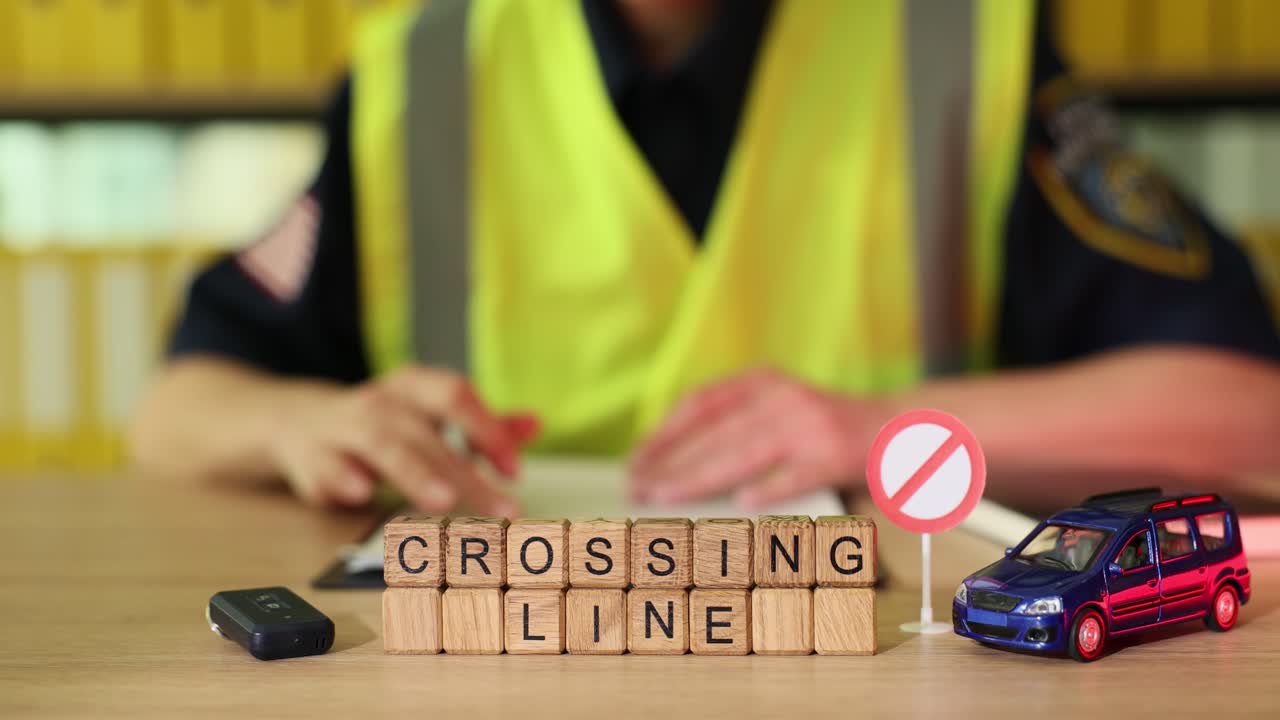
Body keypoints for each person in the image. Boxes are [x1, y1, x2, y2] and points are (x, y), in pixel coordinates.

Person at [130, 0, 1280, 518]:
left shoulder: (957, 39)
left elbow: (1245, 420)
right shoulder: (422, 71)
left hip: (859, 662)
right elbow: (177, 409)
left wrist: (877, 430)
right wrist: (299, 428)